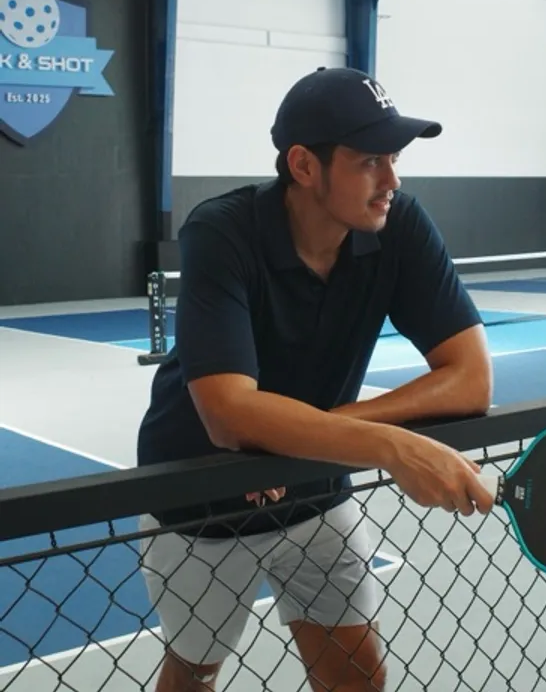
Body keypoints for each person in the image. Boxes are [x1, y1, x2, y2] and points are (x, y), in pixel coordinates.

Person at [136, 66, 494, 692]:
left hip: (315, 487)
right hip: (203, 499)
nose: (392, 181)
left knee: (359, 680)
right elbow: (229, 414)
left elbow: (471, 379)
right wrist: (393, 446)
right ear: (303, 165)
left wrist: (307, 438)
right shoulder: (222, 232)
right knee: (194, 677)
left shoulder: (400, 224)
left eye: (394, 159)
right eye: (371, 161)